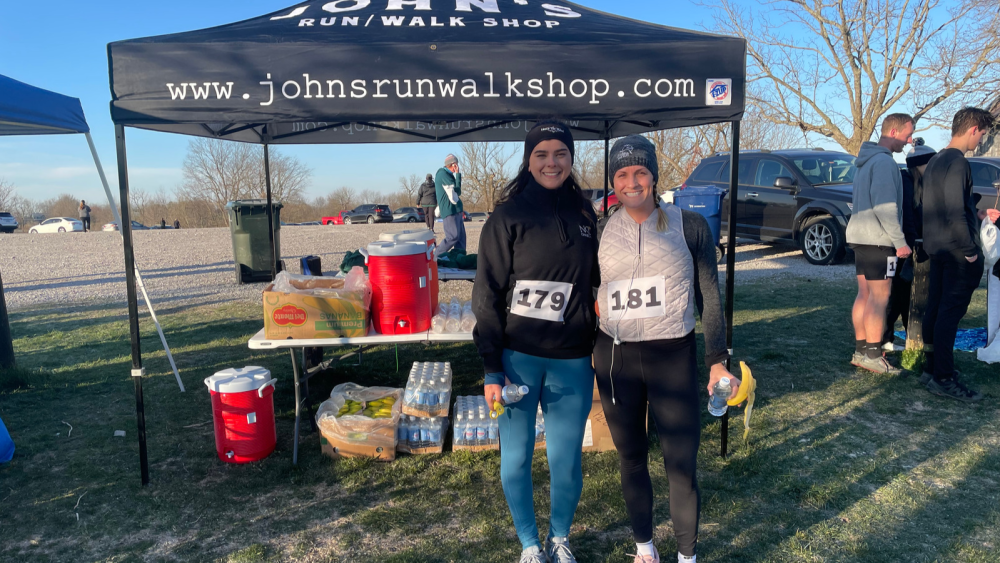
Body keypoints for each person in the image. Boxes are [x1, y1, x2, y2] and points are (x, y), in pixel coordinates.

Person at [593, 135, 736, 563]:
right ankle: (644, 548)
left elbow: (710, 295)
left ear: (654, 177)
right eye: (622, 174)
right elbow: (587, 290)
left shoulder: (689, 225)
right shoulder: (600, 229)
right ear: (613, 182)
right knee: (631, 456)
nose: (631, 181)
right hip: (616, 357)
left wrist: (717, 361)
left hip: (671, 355)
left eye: (640, 172)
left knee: (680, 461)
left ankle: (687, 555)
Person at [473, 121, 599, 563]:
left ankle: (560, 537)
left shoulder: (586, 213)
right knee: (517, 460)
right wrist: (491, 368)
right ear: (529, 160)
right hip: (517, 362)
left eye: (560, 153)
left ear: (570, 158)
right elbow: (486, 295)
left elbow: (598, 282)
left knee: (565, 460)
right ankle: (529, 544)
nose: (552, 161)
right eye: (542, 153)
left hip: (572, 361)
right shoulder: (507, 216)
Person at [920, 107, 999, 401]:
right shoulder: (958, 163)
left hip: (937, 246)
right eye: (982, 135)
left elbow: (943, 205)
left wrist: (977, 213)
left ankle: (932, 368)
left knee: (936, 308)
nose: (980, 141)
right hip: (956, 251)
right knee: (949, 314)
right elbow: (953, 211)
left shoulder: (936, 160)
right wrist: (970, 252)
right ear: (973, 129)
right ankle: (943, 377)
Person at [845, 113, 914, 374]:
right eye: (907, 134)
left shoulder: (865, 161)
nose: (909, 141)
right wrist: (900, 241)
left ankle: (862, 351)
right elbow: (886, 208)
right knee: (880, 297)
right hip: (878, 240)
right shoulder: (884, 163)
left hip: (861, 239)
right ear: (894, 132)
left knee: (864, 294)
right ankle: (873, 355)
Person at [882, 141, 935, 351]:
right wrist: (914, 245)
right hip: (903, 248)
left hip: (913, 246)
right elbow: (907, 219)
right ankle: (885, 338)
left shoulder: (921, 185)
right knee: (896, 295)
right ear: (920, 165)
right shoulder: (906, 183)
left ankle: (909, 336)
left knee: (907, 295)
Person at [435, 154, 466, 254]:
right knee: (452, 236)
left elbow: (458, 191)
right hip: (449, 210)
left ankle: (459, 259)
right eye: (456, 165)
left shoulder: (449, 175)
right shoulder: (442, 174)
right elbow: (455, 193)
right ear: (453, 164)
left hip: (456, 209)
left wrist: (457, 175)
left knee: (460, 238)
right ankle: (436, 256)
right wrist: (457, 175)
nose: (457, 167)